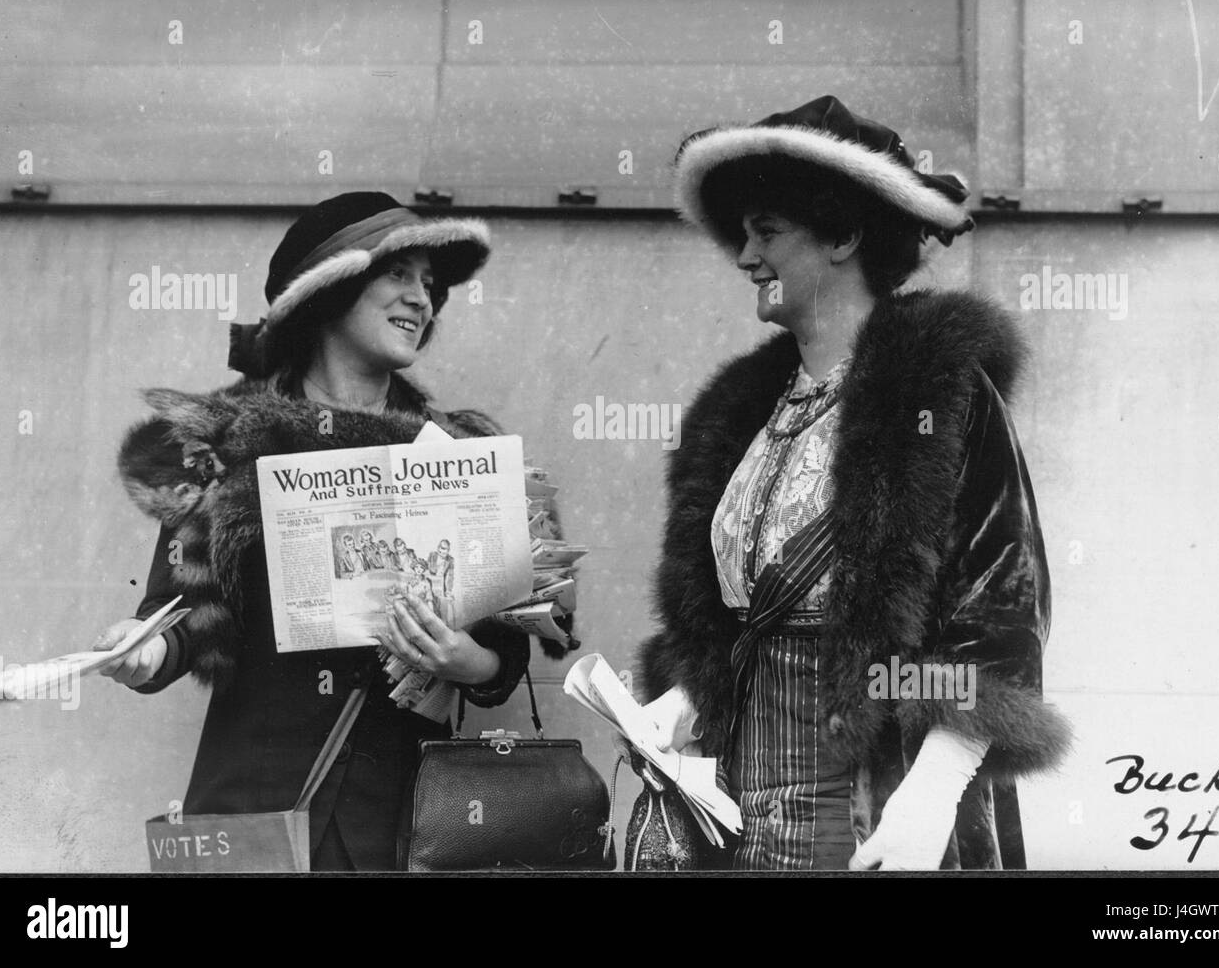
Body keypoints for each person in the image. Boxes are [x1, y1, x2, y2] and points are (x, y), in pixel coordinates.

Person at [635, 97, 1071, 870]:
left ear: (844, 234)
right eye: (742, 235)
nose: (744, 257)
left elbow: (1002, 609)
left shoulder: (940, 394)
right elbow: (725, 619)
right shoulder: (739, 419)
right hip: (735, 814)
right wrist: (684, 696)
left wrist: (934, 788)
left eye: (766, 231)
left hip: (878, 806)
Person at [95, 192, 537, 871]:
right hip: (255, 812)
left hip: (404, 827)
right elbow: (180, 611)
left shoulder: (452, 451)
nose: (421, 298)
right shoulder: (230, 443)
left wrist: (464, 660)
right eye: (398, 274)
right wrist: (142, 654)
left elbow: (505, 650)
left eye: (429, 283)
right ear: (330, 290)